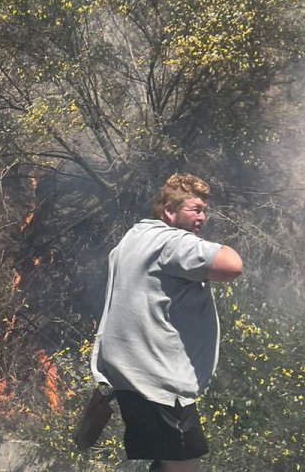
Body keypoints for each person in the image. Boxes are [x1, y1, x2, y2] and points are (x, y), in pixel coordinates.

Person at [89, 173, 243, 472]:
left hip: (129, 376)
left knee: (165, 464)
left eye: (204, 210)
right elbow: (231, 265)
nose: (202, 217)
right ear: (169, 211)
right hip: (159, 384)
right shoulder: (172, 242)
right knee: (184, 467)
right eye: (195, 209)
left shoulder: (133, 237)